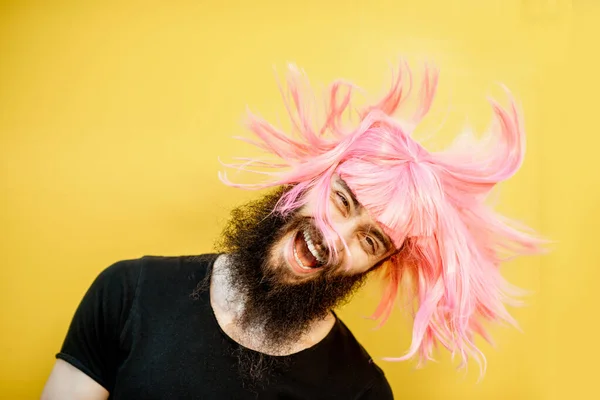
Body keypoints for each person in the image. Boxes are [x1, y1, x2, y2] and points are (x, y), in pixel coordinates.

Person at [41, 62, 545, 399]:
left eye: (370, 240)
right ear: (310, 180)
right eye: (342, 199)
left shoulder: (360, 391)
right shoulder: (129, 294)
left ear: (376, 265)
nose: (334, 234)